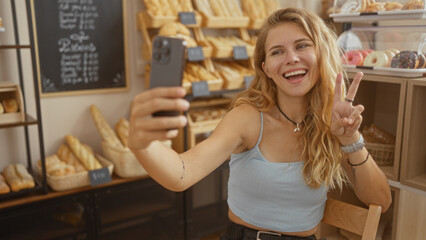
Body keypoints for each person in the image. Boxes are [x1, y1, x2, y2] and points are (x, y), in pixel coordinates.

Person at [128, 7, 392, 240]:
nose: (291, 58)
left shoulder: (332, 122)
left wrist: (350, 141)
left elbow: (380, 200)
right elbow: (181, 174)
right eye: (278, 51)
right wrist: (142, 144)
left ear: (321, 53)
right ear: (266, 69)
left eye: (302, 46)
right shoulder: (248, 118)